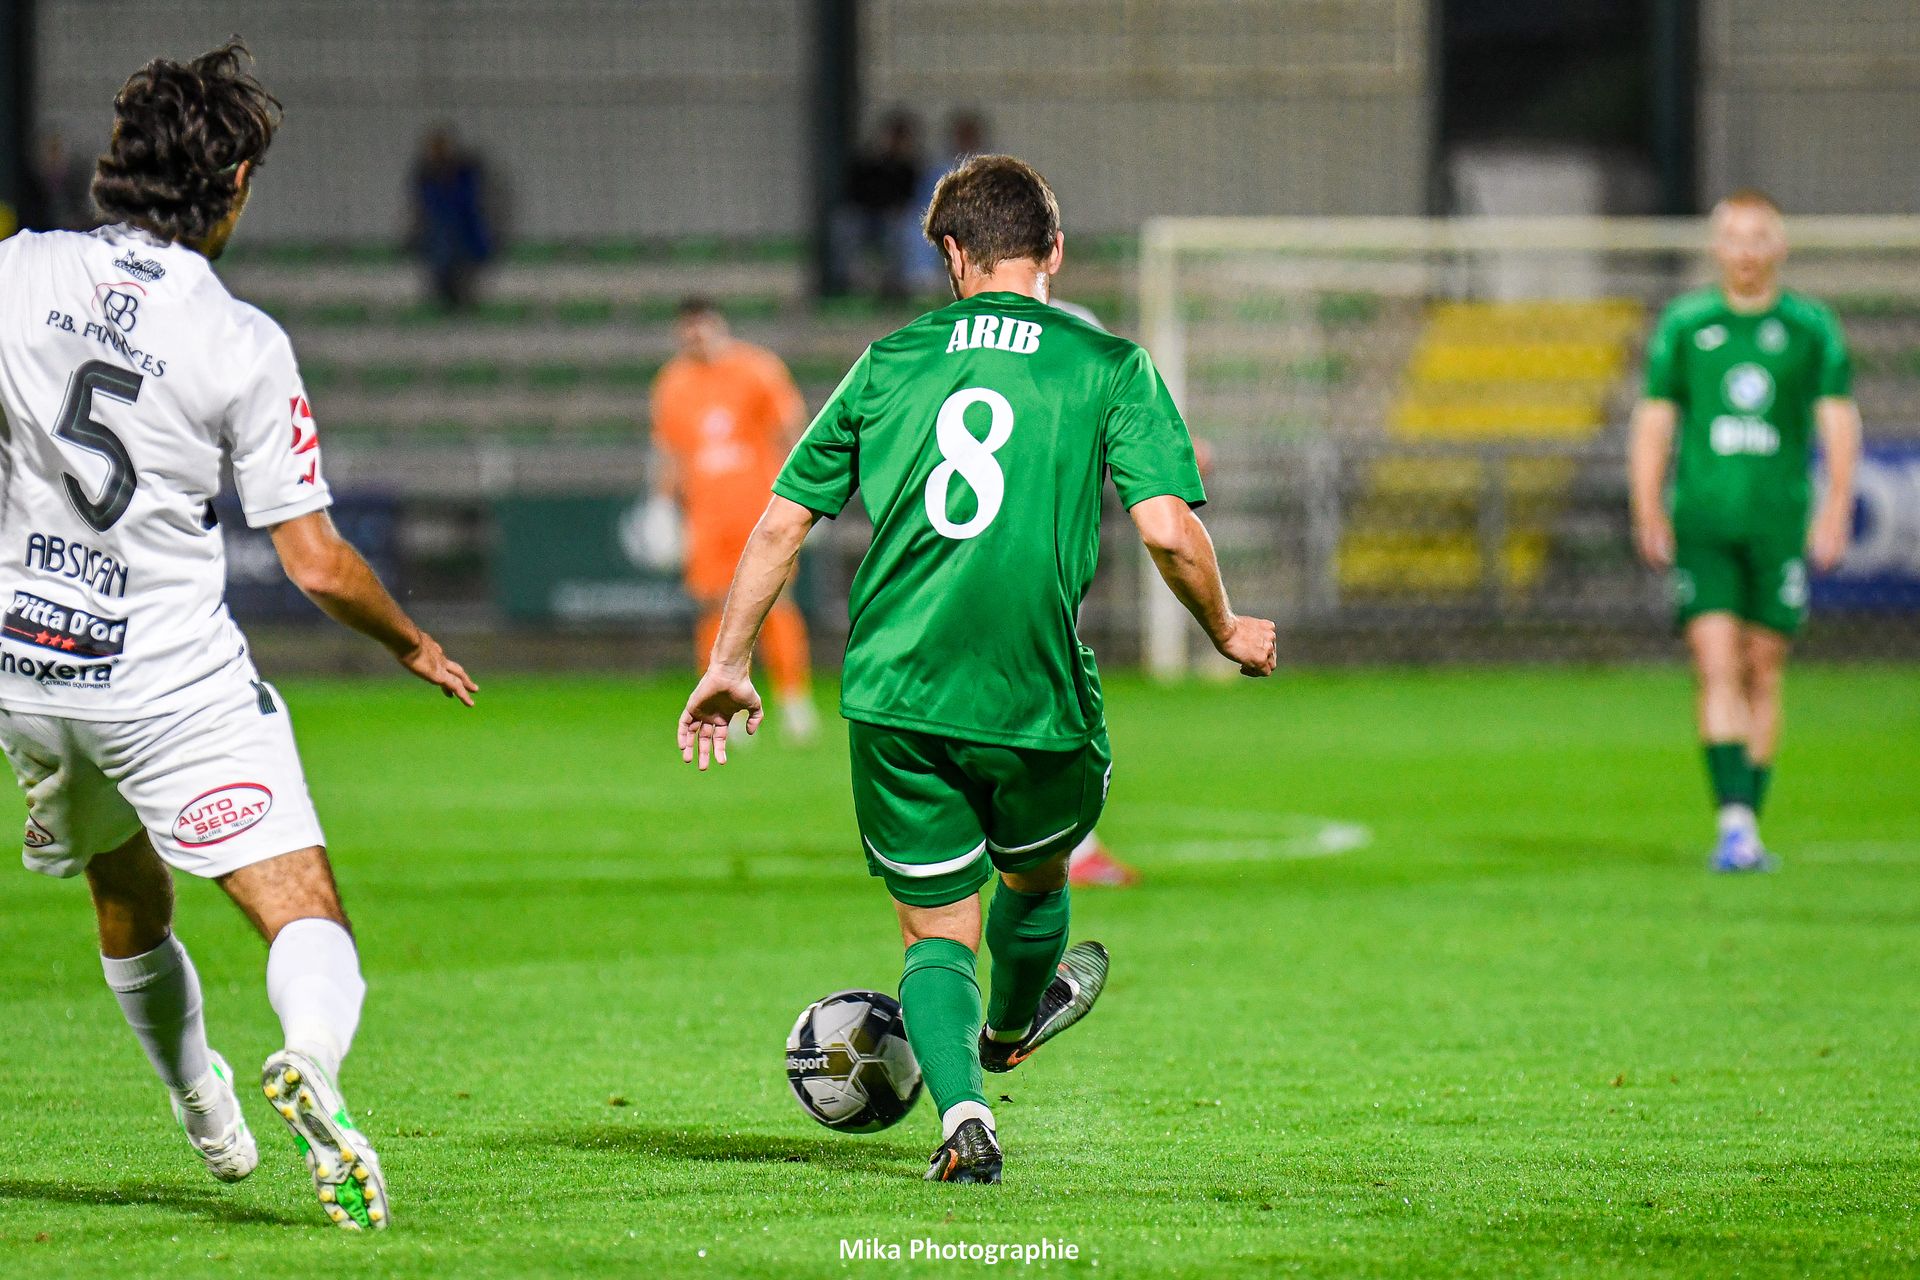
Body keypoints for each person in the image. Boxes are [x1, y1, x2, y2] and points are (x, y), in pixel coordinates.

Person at [676, 155, 1276, 1182]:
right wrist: (1223, 628)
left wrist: (730, 662)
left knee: (935, 929)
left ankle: (965, 1114)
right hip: (1032, 689)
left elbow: (781, 524)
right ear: (1055, 251)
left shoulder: (887, 361)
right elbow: (1168, 531)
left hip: (895, 689)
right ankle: (1007, 1028)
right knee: (1036, 876)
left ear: (951, 255)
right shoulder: (1108, 363)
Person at [0, 42, 476, 1230]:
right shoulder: (239, 339)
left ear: (117, 160)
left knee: (124, 884)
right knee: (302, 906)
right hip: (171, 684)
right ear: (235, 185)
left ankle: (203, 1107)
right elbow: (314, 560)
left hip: (30, 673)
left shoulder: (18, 269)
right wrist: (410, 640)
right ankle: (308, 1061)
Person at [1628, 190, 1861, 873]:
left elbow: (1837, 416)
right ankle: (1733, 824)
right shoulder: (1687, 323)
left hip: (1777, 522)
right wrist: (1647, 504)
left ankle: (1748, 825)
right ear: (1717, 247)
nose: (1747, 251)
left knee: (1764, 666)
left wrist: (1837, 506)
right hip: (1704, 520)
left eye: (1759, 237)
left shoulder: (1809, 328)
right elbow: (1656, 417)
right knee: (1715, 662)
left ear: (1779, 246)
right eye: (1734, 237)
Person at [649, 298, 817, 740]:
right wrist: (662, 507)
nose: (696, 337)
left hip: (759, 508)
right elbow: (668, 451)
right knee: (712, 605)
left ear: (718, 325)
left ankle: (793, 696)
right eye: (688, 330)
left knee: (774, 600)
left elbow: (791, 432)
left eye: (702, 327)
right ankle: (721, 702)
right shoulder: (673, 382)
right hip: (706, 515)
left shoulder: (757, 369)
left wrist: (807, 497)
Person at [829, 110, 923, 299]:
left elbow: (909, 199)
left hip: (891, 219)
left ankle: (894, 286)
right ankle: (842, 282)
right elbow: (854, 193)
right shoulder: (867, 163)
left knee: (900, 229)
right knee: (844, 224)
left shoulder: (909, 168)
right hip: (864, 216)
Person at [408, 125, 495, 310]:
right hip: (440, 241)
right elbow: (423, 209)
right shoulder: (425, 176)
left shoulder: (465, 174)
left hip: (464, 237)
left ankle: (459, 298)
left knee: (451, 249)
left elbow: (467, 204)